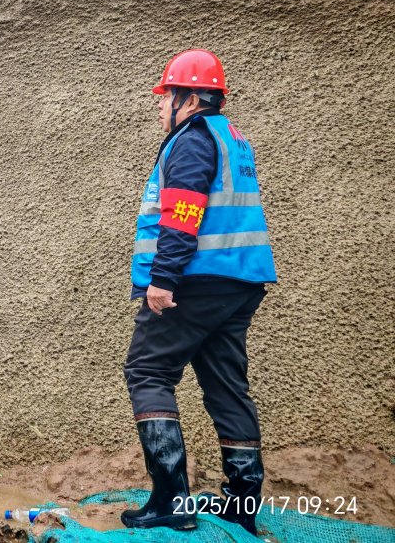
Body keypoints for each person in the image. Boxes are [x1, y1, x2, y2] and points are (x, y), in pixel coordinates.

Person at [122, 50, 276, 534]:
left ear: (188, 98)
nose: (159, 106)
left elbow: (183, 214)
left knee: (148, 370)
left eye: (165, 96)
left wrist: (163, 279)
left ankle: (170, 501)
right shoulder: (233, 139)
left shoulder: (191, 141)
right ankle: (241, 506)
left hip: (194, 280)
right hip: (240, 281)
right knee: (226, 385)